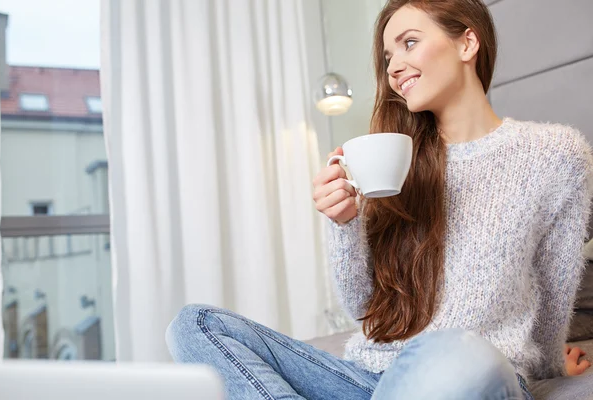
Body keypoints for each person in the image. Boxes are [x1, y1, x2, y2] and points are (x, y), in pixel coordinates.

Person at [165, 0, 593, 399]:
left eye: (409, 43)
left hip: (469, 371)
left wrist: (552, 366)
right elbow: (368, 311)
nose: (394, 67)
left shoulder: (555, 155)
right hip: (368, 378)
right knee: (196, 324)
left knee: (462, 351)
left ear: (467, 42)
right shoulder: (388, 161)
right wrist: (343, 224)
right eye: (388, 57)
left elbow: (554, 291)